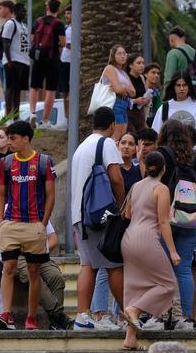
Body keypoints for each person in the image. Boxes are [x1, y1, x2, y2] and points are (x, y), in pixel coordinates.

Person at [0, 120, 56, 330]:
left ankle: (31, 317)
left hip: (34, 225)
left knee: (33, 271)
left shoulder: (43, 162)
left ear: (26, 138)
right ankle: (6, 314)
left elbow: (50, 195)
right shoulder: (6, 163)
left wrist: (43, 223)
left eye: (13, 138)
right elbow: (0, 194)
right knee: (8, 268)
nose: (10, 142)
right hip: (11, 223)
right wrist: (2, 222)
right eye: (8, 138)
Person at [70, 107, 126, 330]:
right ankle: (129, 314)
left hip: (81, 215)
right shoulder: (107, 143)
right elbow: (116, 178)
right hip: (99, 215)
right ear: (112, 125)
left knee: (89, 264)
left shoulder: (82, 146)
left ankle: (83, 315)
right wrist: (121, 207)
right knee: (114, 265)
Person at [121, 151, 181, 350]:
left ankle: (130, 337)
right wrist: (172, 251)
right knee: (167, 285)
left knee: (134, 287)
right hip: (147, 238)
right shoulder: (161, 188)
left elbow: (127, 213)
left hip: (128, 239)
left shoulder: (136, 186)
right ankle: (134, 309)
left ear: (145, 167)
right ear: (164, 168)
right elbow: (163, 221)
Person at [156, 119, 196, 329]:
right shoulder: (194, 158)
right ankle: (186, 317)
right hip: (189, 219)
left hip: (166, 218)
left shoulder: (162, 155)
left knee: (163, 268)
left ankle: (163, 315)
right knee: (185, 269)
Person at [0, 210, 72, 330]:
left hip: (39, 252)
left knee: (56, 277)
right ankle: (58, 315)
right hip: (16, 256)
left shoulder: (38, 208)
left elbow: (53, 239)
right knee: (30, 275)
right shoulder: (2, 211)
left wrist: (40, 249)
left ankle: (54, 323)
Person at [152, 70, 196, 182]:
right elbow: (158, 136)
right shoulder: (165, 108)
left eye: (184, 85)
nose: (181, 88)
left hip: (195, 156)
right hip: (172, 158)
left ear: (189, 86)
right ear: (173, 87)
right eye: (178, 85)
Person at [28, 0, 66, 130]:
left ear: (47, 7)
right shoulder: (59, 24)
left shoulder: (38, 21)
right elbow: (63, 42)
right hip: (53, 59)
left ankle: (32, 113)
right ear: (58, 9)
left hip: (38, 58)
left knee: (34, 87)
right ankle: (44, 120)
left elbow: (32, 39)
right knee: (50, 90)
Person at [0, 0, 30, 118]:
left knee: (18, 90)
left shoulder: (24, 26)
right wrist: (9, 60)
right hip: (13, 61)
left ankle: (16, 115)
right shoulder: (11, 23)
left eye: (25, 11)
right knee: (10, 89)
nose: (24, 13)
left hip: (23, 61)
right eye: (23, 11)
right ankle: (7, 116)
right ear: (16, 12)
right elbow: (5, 42)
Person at [101, 45, 136, 143]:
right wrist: (124, 88)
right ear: (113, 56)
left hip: (124, 104)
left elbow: (133, 92)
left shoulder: (123, 73)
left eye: (124, 53)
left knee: (122, 137)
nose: (122, 56)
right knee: (115, 137)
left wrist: (123, 87)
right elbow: (118, 90)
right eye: (119, 53)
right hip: (115, 103)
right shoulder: (110, 68)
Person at [56, 4, 73, 130]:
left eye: (70, 13)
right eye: (66, 13)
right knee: (64, 92)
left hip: (74, 63)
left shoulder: (79, 28)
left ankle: (72, 118)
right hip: (64, 61)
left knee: (72, 93)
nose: (67, 16)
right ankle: (67, 119)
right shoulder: (66, 28)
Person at [127, 54, 150, 133]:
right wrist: (135, 101)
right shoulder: (126, 78)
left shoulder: (142, 78)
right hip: (128, 114)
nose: (142, 65)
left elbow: (143, 94)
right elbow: (120, 99)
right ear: (130, 65)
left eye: (143, 63)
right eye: (138, 63)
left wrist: (146, 100)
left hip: (140, 114)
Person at [143, 63, 162, 128]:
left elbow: (159, 108)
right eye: (153, 73)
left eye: (158, 73)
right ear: (145, 74)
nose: (156, 75)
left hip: (152, 121)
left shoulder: (156, 92)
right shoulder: (140, 90)